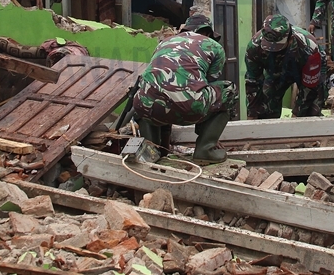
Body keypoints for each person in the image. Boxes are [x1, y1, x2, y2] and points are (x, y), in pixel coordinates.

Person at [132, 14, 238, 164]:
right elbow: (209, 80)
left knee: (150, 93)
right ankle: (205, 149)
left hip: (145, 109)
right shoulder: (213, 45)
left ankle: (152, 149)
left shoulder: (163, 43)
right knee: (229, 90)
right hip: (188, 108)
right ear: (208, 32)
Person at [246, 14, 323, 119]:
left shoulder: (309, 48)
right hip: (275, 74)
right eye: (269, 47)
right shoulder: (254, 47)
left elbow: (310, 87)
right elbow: (253, 82)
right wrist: (252, 113)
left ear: (290, 39)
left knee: (310, 112)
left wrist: (297, 113)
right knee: (265, 109)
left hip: (305, 72)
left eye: (277, 47)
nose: (273, 50)